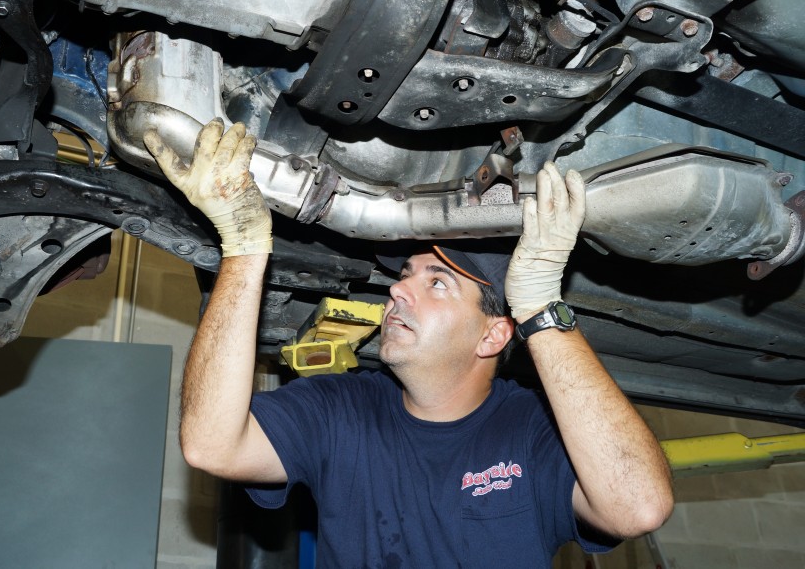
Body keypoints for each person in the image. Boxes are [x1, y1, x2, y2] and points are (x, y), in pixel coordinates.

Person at [144, 119, 674, 567]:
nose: (397, 288)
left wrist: (538, 304)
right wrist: (241, 249)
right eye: (406, 272)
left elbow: (637, 508)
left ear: (493, 334)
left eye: (436, 283)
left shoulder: (535, 431)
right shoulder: (341, 408)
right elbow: (211, 444)